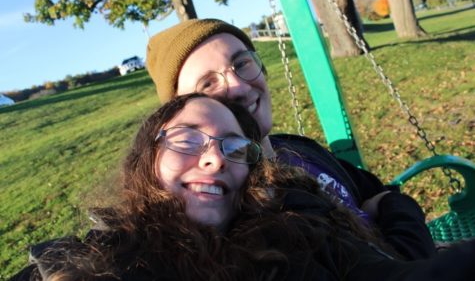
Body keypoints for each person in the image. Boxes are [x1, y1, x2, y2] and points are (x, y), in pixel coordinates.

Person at [11, 94, 475, 281]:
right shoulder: (97, 260)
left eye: (234, 147)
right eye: (188, 137)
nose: (214, 157)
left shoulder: (298, 229)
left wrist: (397, 206)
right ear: (147, 157)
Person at [145, 18, 435, 260]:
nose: (238, 86)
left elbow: (376, 189)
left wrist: (389, 204)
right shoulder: (241, 206)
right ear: (183, 111)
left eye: (242, 63)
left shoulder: (296, 147)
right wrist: (399, 210)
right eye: (208, 83)